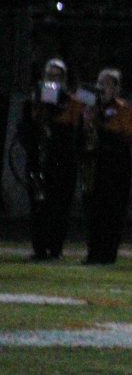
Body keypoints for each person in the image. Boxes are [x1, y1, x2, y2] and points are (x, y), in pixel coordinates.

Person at [15, 59, 83, 260]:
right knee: (38, 205)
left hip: (63, 160)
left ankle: (55, 249)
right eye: (50, 76)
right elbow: (25, 129)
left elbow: (83, 119)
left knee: (60, 205)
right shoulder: (33, 101)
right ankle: (39, 248)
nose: (53, 80)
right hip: (39, 157)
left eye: (57, 76)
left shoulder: (72, 101)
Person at [82, 68, 132, 265]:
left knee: (113, 211)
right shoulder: (90, 106)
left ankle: (108, 254)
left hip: (116, 164)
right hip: (95, 163)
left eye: (107, 83)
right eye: (100, 83)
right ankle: (92, 252)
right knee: (93, 210)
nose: (102, 87)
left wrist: (101, 125)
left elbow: (129, 137)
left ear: (116, 88)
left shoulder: (123, 108)